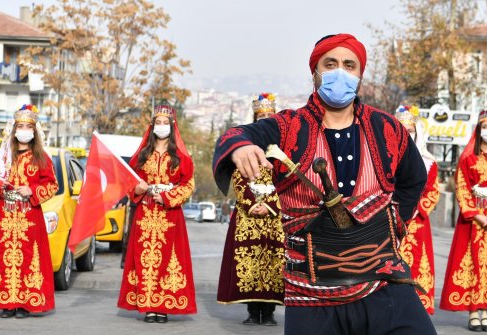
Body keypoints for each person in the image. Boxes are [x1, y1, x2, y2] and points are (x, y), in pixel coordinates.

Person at [213, 33, 436, 335]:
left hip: (383, 285)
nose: (340, 72)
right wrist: (240, 147)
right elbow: (236, 134)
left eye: (349, 65)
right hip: (311, 296)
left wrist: (395, 221)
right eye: (330, 64)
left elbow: (414, 179)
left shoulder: (387, 128)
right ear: (315, 73)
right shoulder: (288, 126)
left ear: (359, 75)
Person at [117, 105, 197, 323]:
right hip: (145, 213)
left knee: (168, 260)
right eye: (158, 123)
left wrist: (169, 197)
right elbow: (129, 181)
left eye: (165, 123)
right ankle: (148, 305)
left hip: (170, 216)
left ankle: (162, 306)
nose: (161, 127)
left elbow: (188, 185)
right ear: (152, 127)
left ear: (172, 127)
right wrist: (139, 189)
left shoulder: (181, 157)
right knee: (144, 260)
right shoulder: (142, 155)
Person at [440, 109, 487, 332]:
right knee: (472, 265)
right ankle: (474, 312)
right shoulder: (468, 158)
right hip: (473, 222)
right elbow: (462, 189)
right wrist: (478, 215)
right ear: (479, 130)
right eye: (485, 126)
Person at [0, 104, 58, 318]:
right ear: (14, 130)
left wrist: (31, 190)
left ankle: (24, 304)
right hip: (4, 214)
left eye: (28, 126)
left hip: (29, 217)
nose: (24, 130)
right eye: (20, 126)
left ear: (34, 131)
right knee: (3, 258)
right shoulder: (4, 155)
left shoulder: (40, 157)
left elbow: (52, 185)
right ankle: (7, 303)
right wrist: (0, 188)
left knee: (27, 259)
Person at [217, 93, 285, 326]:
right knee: (249, 262)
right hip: (248, 215)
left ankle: (269, 313)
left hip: (274, 217)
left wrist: (269, 204)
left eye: (269, 116)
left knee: (272, 262)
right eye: (261, 116)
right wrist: (250, 203)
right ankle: (251, 310)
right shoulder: (246, 145)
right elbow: (239, 178)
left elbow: (286, 181)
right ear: (255, 118)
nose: (265, 119)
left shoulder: (283, 148)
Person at [396, 106, 440, 315]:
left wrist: (416, 209)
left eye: (410, 130)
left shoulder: (428, 162)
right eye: (402, 129)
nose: (407, 134)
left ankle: (417, 308)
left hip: (417, 223)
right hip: (391, 220)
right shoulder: (386, 160)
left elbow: (433, 191)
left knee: (416, 262)